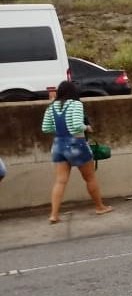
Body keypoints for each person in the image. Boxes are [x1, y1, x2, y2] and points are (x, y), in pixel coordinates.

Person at [40, 80, 112, 223]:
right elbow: (76, 126)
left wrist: (60, 130)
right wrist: (87, 127)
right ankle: (100, 207)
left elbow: (45, 128)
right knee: (90, 178)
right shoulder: (76, 104)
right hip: (76, 144)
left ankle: (54, 215)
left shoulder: (51, 106)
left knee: (60, 181)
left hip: (58, 145)